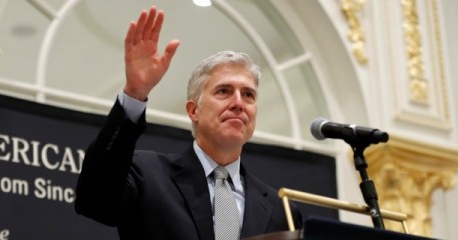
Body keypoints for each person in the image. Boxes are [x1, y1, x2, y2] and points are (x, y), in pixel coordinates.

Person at [75, 5, 302, 240]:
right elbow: (93, 202)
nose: (238, 103)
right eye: (224, 91)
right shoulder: (146, 174)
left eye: (248, 94)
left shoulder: (281, 211)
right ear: (194, 111)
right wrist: (135, 92)